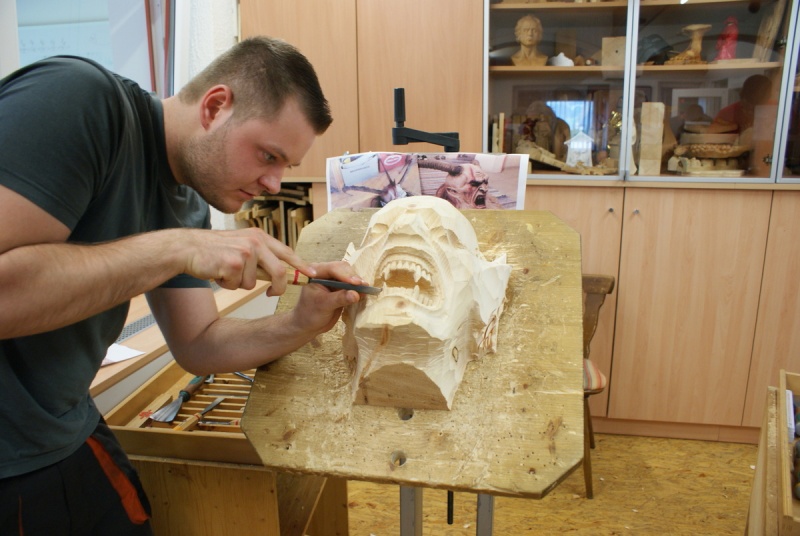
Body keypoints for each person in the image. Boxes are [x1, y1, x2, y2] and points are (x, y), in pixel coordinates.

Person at [0, 36, 365, 534]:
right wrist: (176, 248)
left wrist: (302, 322)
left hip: (63, 427)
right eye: (268, 155)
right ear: (215, 107)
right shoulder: (78, 99)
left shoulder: (185, 202)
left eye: (286, 167)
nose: (275, 184)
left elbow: (199, 344)